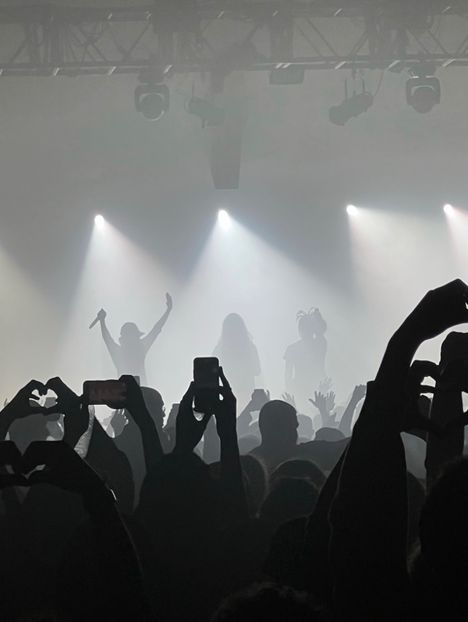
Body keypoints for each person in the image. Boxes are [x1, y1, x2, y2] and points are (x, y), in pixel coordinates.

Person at [92, 292, 173, 384]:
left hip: (128, 393)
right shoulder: (140, 348)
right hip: (137, 392)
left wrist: (102, 321)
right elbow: (156, 330)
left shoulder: (120, 351)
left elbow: (156, 329)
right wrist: (168, 310)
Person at [213, 313, 261, 408]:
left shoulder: (219, 349)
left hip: (227, 395)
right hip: (245, 395)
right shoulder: (250, 347)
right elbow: (257, 370)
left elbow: (213, 375)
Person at [284, 308, 327, 410]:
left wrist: (289, 391)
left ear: (300, 330)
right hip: (318, 386)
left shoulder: (292, 349)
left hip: (300, 388)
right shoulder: (321, 345)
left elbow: (287, 375)